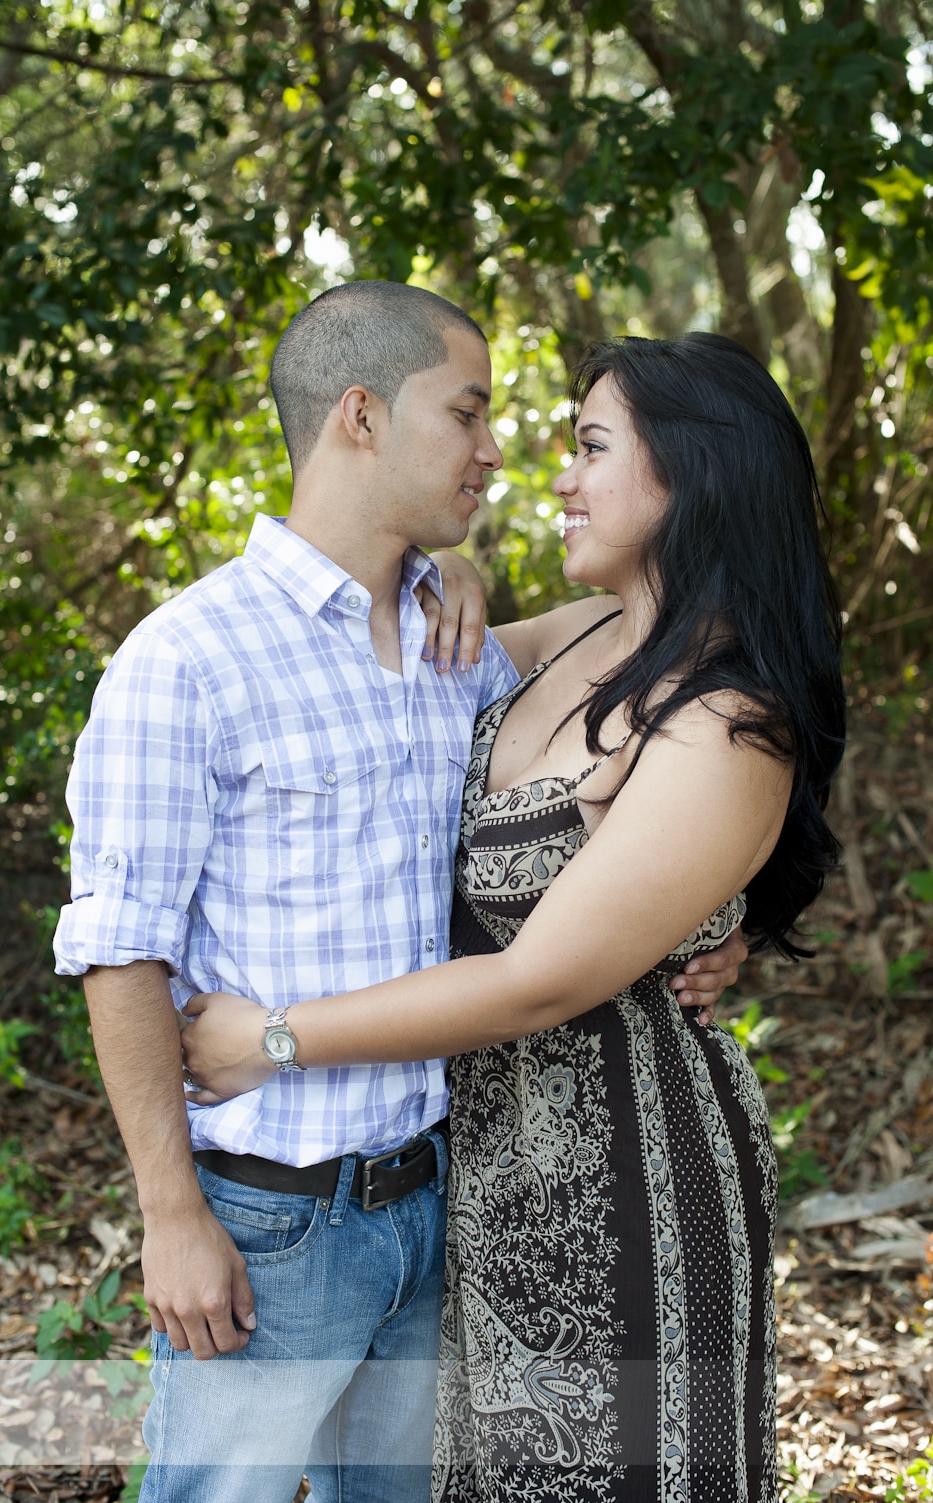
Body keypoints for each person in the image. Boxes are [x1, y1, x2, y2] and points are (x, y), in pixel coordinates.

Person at [52, 284, 748, 1503]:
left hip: (443, 1206)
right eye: (466, 412)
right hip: (274, 1221)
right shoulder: (187, 659)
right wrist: (170, 1215)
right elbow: (120, 953)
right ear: (361, 417)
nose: (494, 450)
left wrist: (705, 923)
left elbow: (613, 800)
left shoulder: (460, 648)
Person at [179, 331, 843, 1499]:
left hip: (629, 1179)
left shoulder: (724, 718)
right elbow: (409, 654)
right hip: (480, 1174)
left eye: (590, 448)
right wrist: (447, 576)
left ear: (690, 473)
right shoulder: (578, 638)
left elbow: (540, 978)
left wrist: (273, 1036)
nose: (558, 476)